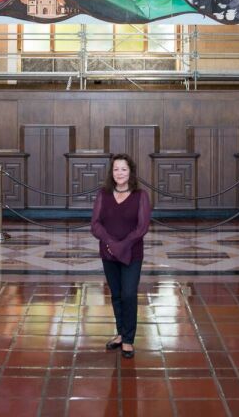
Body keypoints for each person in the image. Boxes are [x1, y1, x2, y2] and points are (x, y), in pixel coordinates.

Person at [91, 153, 152, 360]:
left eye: (123, 169)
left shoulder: (140, 195)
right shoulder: (103, 194)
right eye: (116, 169)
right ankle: (120, 332)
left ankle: (128, 339)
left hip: (132, 253)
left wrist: (121, 245)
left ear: (130, 172)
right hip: (108, 252)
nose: (119, 173)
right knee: (115, 294)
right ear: (111, 172)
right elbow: (95, 224)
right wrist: (110, 243)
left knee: (128, 294)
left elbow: (142, 227)